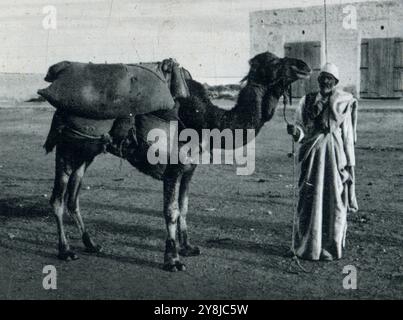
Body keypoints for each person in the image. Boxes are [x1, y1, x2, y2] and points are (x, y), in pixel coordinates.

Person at [287, 62, 358, 261]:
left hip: (334, 160)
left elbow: (347, 139)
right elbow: (301, 129)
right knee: (308, 200)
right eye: (323, 78)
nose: (326, 81)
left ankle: (330, 249)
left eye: (330, 79)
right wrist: (296, 133)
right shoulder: (306, 101)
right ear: (319, 80)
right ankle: (307, 248)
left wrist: (350, 166)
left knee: (334, 201)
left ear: (335, 82)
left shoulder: (342, 103)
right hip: (311, 158)